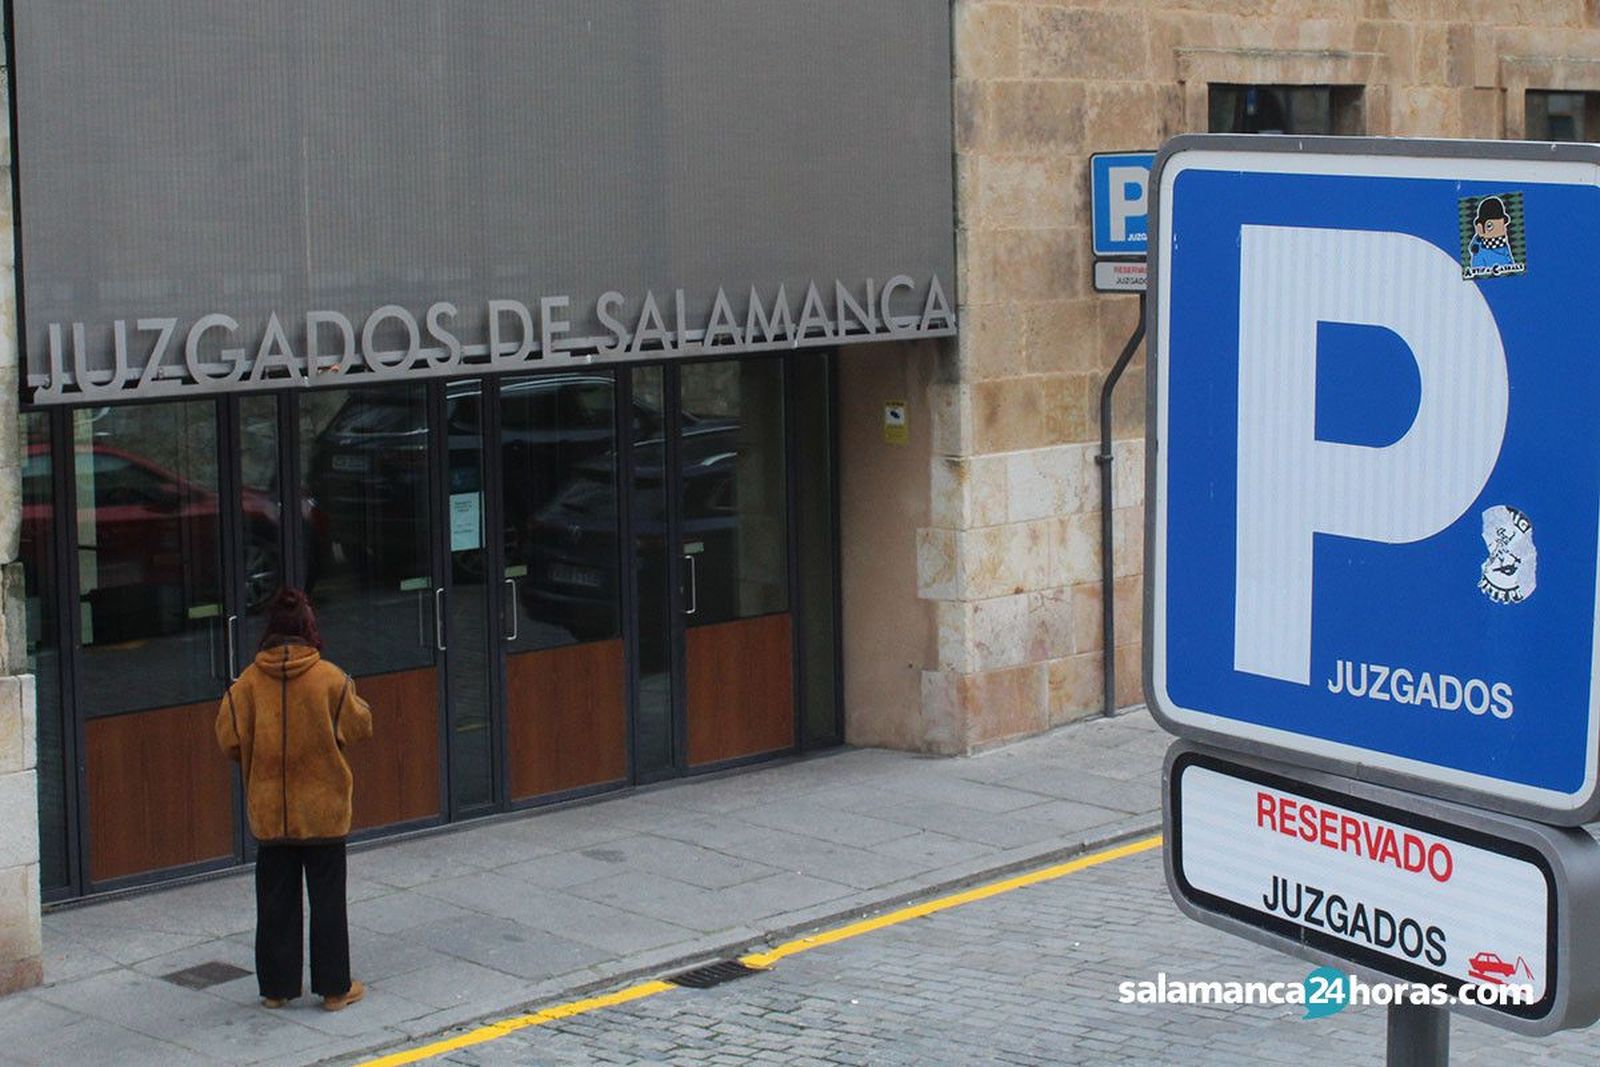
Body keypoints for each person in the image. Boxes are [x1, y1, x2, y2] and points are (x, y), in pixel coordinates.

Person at [216, 587, 373, 1011]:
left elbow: (228, 740)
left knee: (274, 903)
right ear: (309, 628)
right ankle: (335, 989)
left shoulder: (247, 685)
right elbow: (361, 726)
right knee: (328, 902)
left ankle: (276, 989)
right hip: (323, 812)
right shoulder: (331, 679)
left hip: (271, 812)